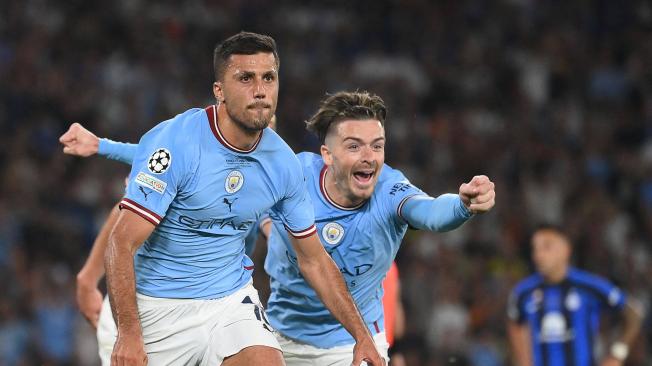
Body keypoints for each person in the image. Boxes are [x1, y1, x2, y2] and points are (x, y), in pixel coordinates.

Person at [62, 90, 496, 365]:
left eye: (377, 146)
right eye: (354, 145)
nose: (369, 156)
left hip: (350, 343)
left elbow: (431, 212)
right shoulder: (284, 175)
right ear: (327, 155)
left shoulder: (387, 191)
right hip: (279, 336)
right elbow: (161, 170)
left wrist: (462, 205)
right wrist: (103, 146)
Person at [63, 32, 384, 366]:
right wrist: (127, 331)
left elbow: (314, 260)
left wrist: (361, 336)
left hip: (229, 302)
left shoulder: (283, 165)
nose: (260, 90)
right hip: (156, 308)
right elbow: (122, 240)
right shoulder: (176, 142)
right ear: (220, 91)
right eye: (245, 78)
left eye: (268, 78)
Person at [507, 225, 643, 366]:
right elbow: (515, 324)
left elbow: (634, 313)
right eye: (535, 248)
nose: (538, 255)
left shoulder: (589, 286)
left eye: (546, 247)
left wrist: (617, 354)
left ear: (566, 249)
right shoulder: (523, 292)